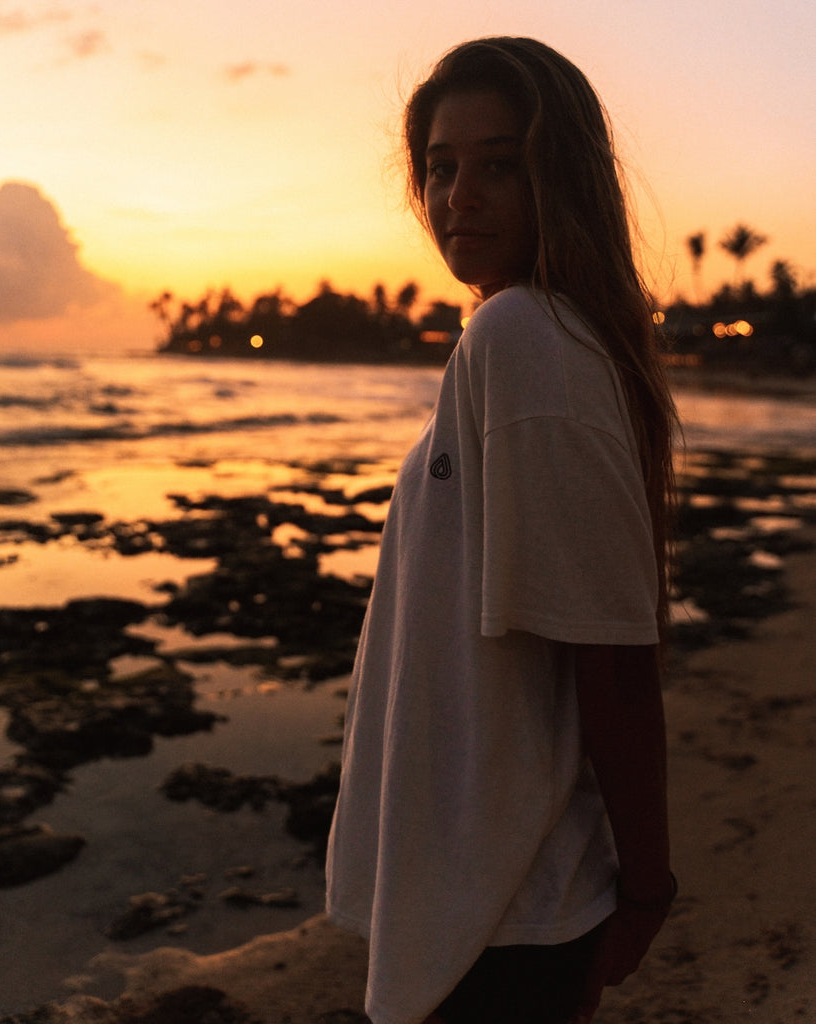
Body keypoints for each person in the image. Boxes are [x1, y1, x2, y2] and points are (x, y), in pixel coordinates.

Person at [326, 36, 678, 1024]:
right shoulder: (538, 335)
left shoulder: (521, 335)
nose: (458, 196)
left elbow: (611, 651)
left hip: (505, 908)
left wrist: (649, 884)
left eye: (498, 166)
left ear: (557, 178)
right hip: (503, 893)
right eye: (440, 168)